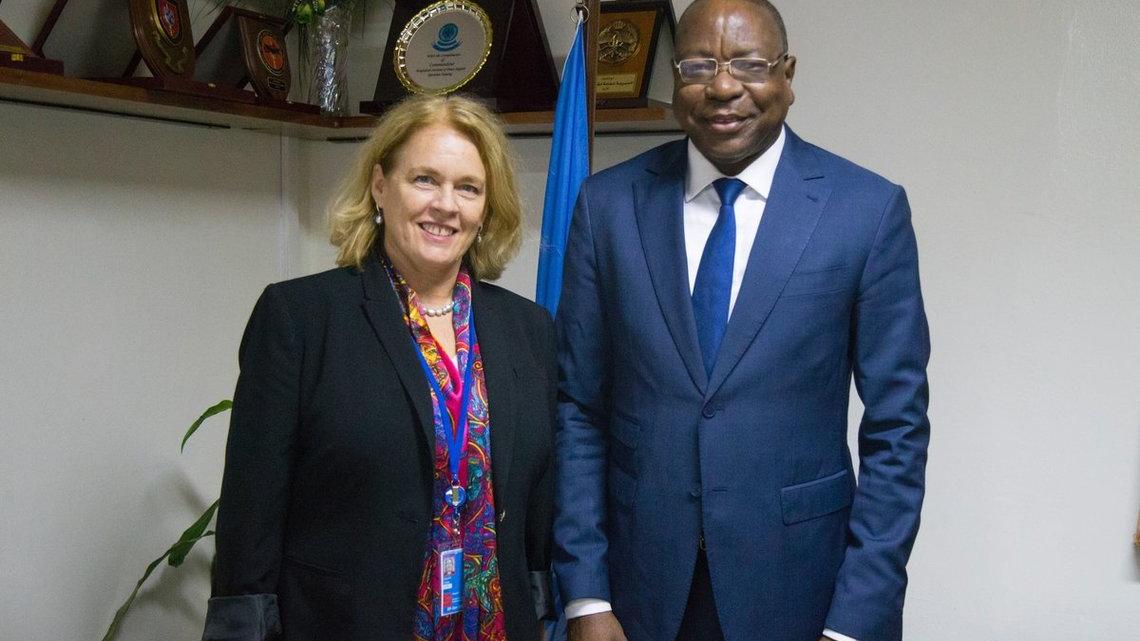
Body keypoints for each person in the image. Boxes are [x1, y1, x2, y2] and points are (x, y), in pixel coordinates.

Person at [552, 2, 931, 641]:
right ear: (676, 77)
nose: (723, 87)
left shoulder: (866, 211)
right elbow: (578, 408)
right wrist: (586, 597)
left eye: (749, 65)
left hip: (803, 590)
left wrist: (857, 618)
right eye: (699, 66)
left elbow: (898, 426)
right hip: (638, 592)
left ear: (788, 74)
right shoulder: (607, 206)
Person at [202, 94, 556, 641]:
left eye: (468, 188)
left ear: (487, 208)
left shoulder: (528, 329)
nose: (446, 205)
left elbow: (536, 508)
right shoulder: (300, 317)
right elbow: (251, 516)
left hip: (492, 625)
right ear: (379, 186)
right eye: (424, 179)